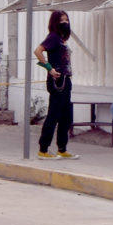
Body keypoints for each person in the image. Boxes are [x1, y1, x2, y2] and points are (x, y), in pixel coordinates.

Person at [34, 10, 80, 160]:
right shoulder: (53, 37)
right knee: (54, 114)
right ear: (55, 22)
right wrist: (50, 69)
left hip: (66, 79)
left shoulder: (61, 39)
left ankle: (62, 148)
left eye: (66, 19)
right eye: (61, 20)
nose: (65, 22)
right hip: (58, 80)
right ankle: (43, 149)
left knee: (66, 116)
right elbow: (38, 51)